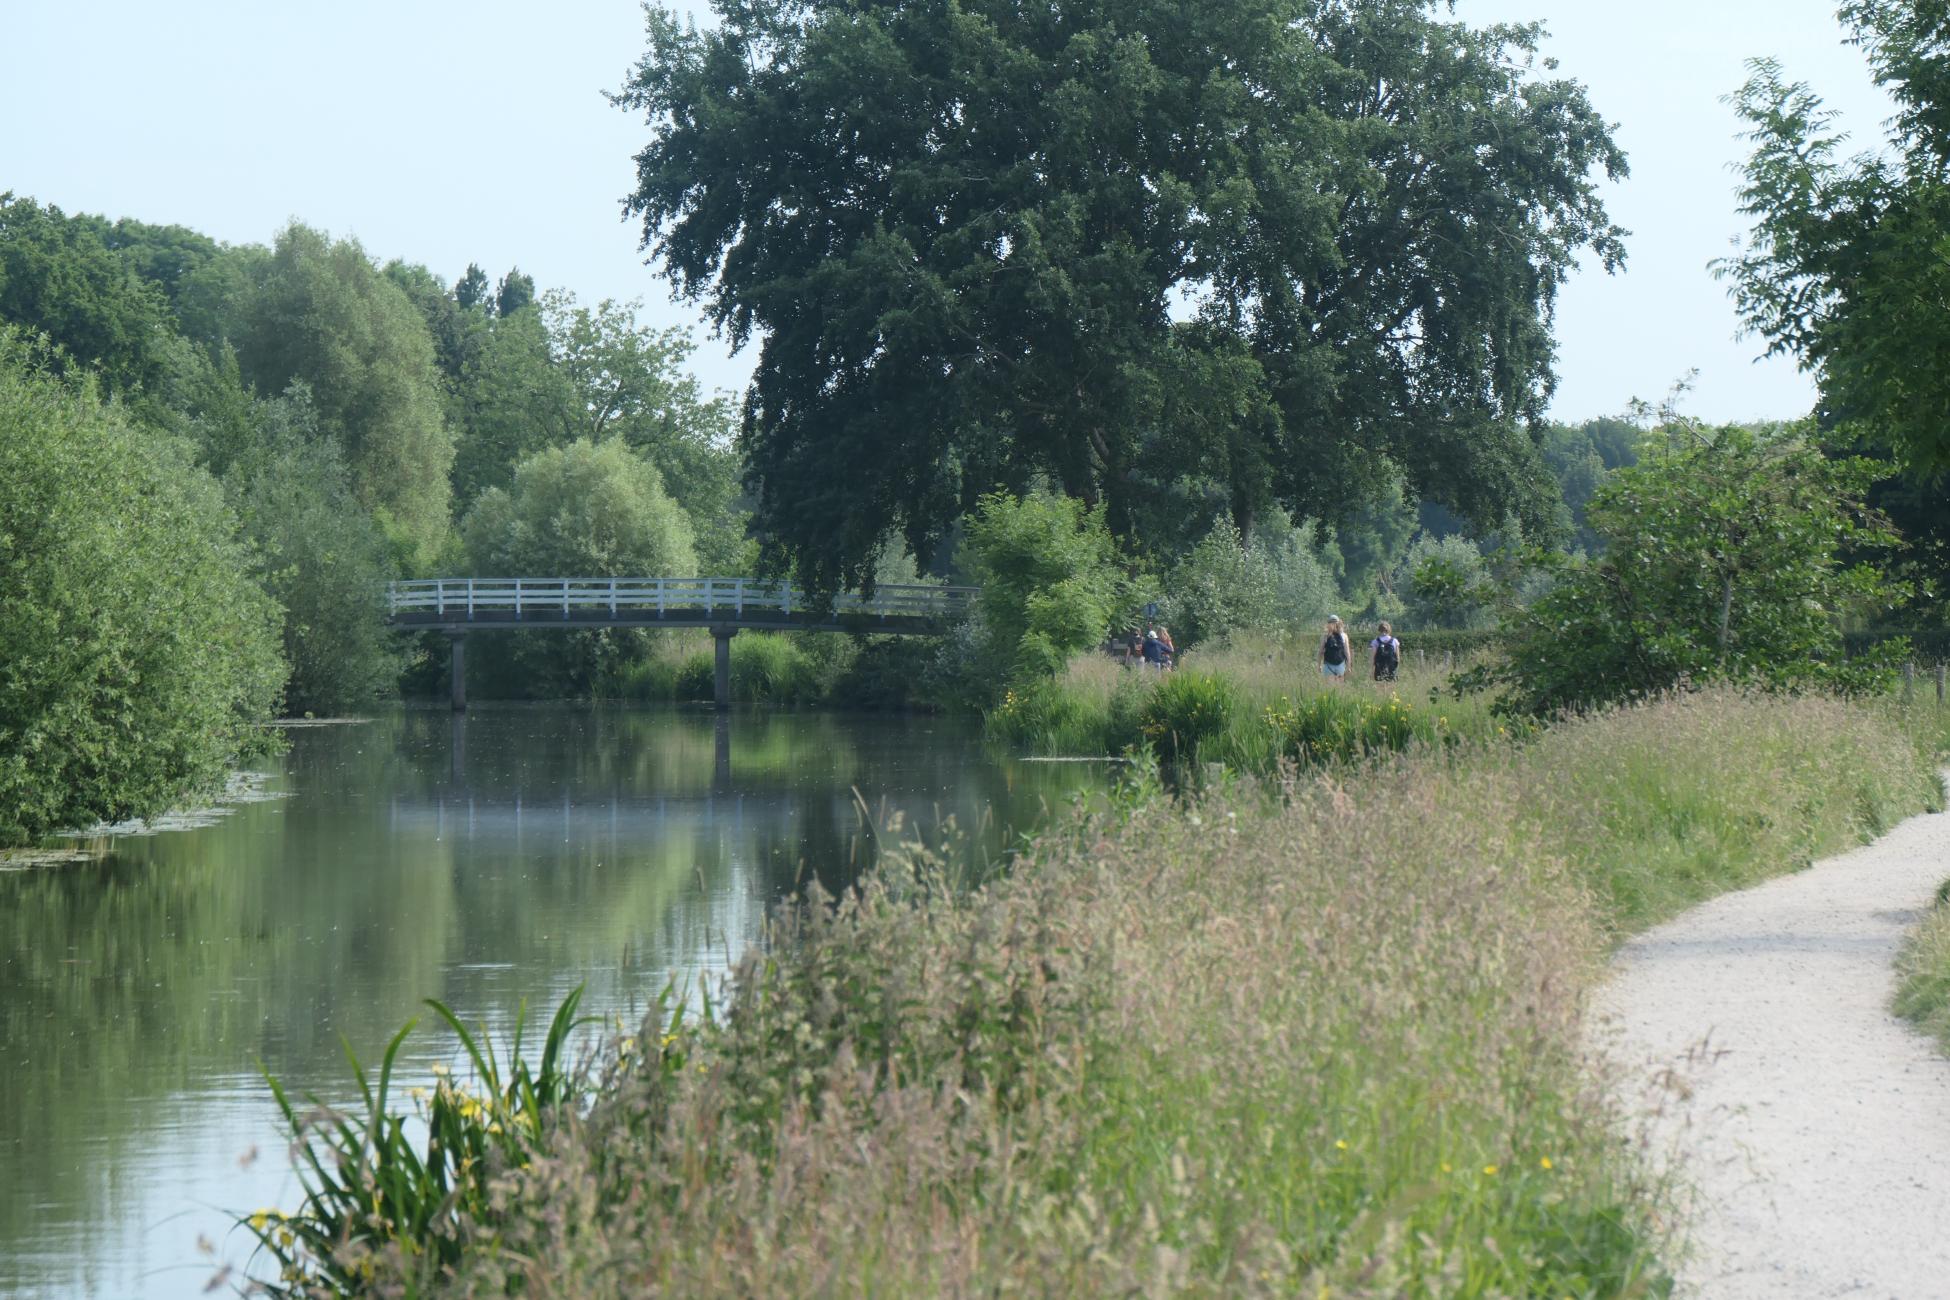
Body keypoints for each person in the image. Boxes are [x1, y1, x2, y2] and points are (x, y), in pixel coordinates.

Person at [1319, 615, 1351, 683]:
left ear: (1328, 624)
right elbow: (1347, 652)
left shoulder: (1325, 635)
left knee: (1329, 687)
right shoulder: (1344, 635)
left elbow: (1321, 652)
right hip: (1340, 664)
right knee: (1340, 686)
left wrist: (1319, 665)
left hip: (1328, 665)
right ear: (1339, 623)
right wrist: (1348, 666)